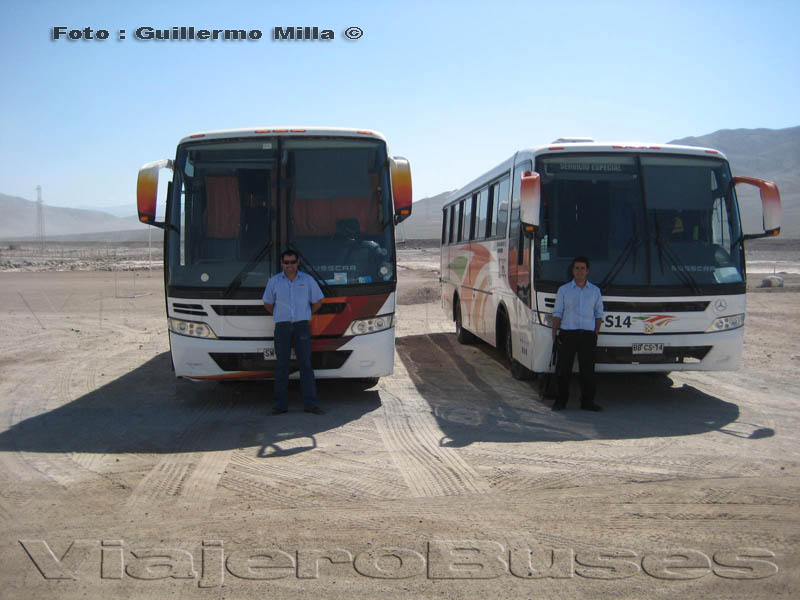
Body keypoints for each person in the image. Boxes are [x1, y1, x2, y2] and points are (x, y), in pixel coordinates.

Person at [262, 249, 325, 415]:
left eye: (292, 262)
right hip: (282, 327)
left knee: (305, 365)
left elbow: (318, 300)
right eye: (286, 262)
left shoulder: (307, 280)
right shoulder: (274, 281)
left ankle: (311, 404)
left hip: (301, 326)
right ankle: (280, 405)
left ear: (298, 263)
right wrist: (278, 314)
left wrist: (307, 313)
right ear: (282, 264)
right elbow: (268, 303)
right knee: (282, 365)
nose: (290, 266)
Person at [551, 256, 604, 412]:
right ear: (572, 271)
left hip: (587, 336)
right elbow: (558, 312)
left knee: (588, 371)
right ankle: (560, 401)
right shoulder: (564, 290)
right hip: (568, 334)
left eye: (582, 268)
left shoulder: (595, 291)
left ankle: (587, 402)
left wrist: (595, 333)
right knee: (563, 370)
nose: (579, 271)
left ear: (587, 271)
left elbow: (599, 314)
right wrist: (555, 332)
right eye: (576, 268)